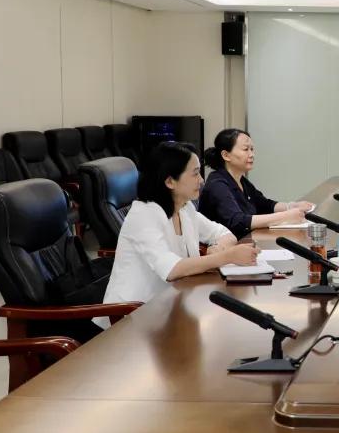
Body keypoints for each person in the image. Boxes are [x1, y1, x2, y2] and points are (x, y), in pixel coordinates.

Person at [97, 142, 260, 328]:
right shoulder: (144, 214)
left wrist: (218, 248)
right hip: (131, 319)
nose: (202, 180)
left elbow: (224, 233)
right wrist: (226, 256)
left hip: (173, 307)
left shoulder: (184, 207)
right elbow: (171, 270)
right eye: (195, 174)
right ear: (170, 181)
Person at [198, 128, 315, 238]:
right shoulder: (217, 184)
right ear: (226, 155)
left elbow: (264, 205)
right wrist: (285, 216)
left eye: (252, 149)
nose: (251, 154)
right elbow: (237, 221)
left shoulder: (241, 180)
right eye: (245, 149)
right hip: (225, 247)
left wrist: (291, 206)